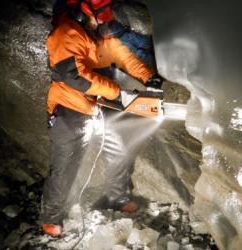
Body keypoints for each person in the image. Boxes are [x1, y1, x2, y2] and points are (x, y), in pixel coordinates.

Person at [41, 0, 163, 237]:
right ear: (84, 13)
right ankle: (51, 218)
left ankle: (117, 198)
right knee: (65, 168)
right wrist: (118, 92)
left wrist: (149, 77)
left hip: (94, 108)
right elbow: (73, 76)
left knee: (116, 151)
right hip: (68, 110)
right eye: (101, 16)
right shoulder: (66, 32)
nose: (104, 21)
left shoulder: (94, 36)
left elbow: (122, 55)